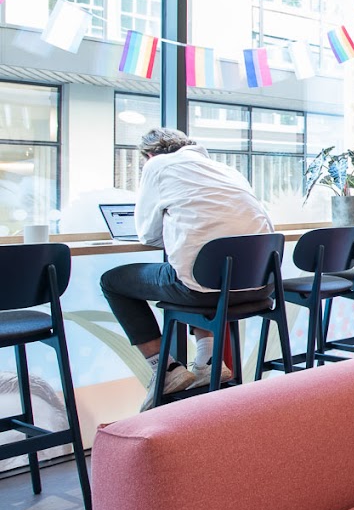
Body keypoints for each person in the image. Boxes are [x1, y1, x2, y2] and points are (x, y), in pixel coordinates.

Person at [99, 128, 274, 410]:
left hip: (203, 289)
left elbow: (146, 234)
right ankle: (205, 361)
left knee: (112, 281)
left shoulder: (157, 166)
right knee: (193, 267)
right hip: (259, 287)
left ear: (149, 154)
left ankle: (165, 369)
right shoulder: (225, 169)